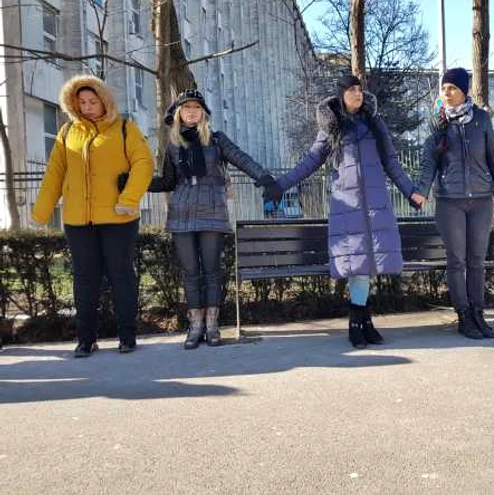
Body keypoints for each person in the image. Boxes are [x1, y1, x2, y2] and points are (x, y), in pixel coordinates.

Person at [263, 75, 422, 349]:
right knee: (357, 267)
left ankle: (364, 322)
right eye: (351, 90)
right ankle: (356, 323)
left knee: (368, 265)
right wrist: (280, 186)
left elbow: (392, 163)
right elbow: (311, 161)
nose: (357, 94)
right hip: (347, 205)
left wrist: (410, 191)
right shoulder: (332, 128)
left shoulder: (374, 124)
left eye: (360, 89)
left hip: (375, 203)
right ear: (341, 95)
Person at [32, 75, 154, 357]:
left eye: (92, 101)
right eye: (82, 102)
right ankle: (86, 339)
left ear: (104, 101)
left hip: (118, 219)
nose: (87, 107)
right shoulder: (66, 134)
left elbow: (144, 163)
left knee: (121, 277)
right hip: (78, 221)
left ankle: (127, 337)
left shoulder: (125, 129)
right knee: (85, 280)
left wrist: (129, 199)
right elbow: (54, 174)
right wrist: (41, 211)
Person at [146, 89, 275, 349]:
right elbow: (168, 181)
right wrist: (135, 183)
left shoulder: (216, 140)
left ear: (203, 112)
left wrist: (264, 178)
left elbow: (241, 158)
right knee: (191, 272)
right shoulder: (173, 145)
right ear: (179, 112)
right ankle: (195, 327)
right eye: (186, 107)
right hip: (182, 213)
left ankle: (213, 325)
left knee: (213, 271)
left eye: (196, 107)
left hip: (213, 211)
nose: (191, 111)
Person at [414, 67, 494, 339]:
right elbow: (428, 161)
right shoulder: (437, 121)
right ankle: (464, 316)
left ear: (463, 90)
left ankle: (479, 313)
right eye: (444, 88)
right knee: (457, 260)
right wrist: (421, 190)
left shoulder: (481, 119)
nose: (447, 92)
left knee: (477, 260)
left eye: (452, 87)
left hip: (481, 200)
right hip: (450, 201)